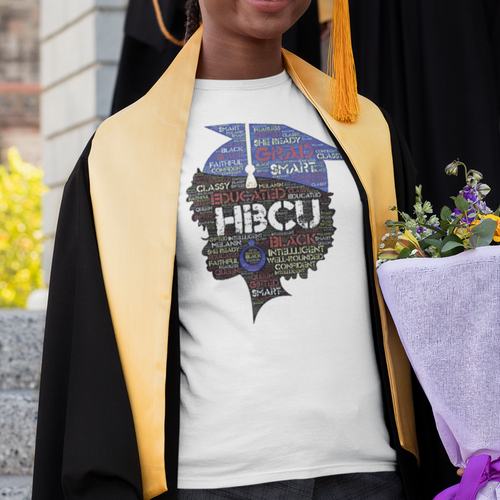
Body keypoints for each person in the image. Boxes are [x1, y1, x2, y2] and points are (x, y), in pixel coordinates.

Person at [32, 0, 440, 499]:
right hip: (211, 482)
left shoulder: (366, 128)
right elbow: (90, 372)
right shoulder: (121, 151)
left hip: (369, 476)